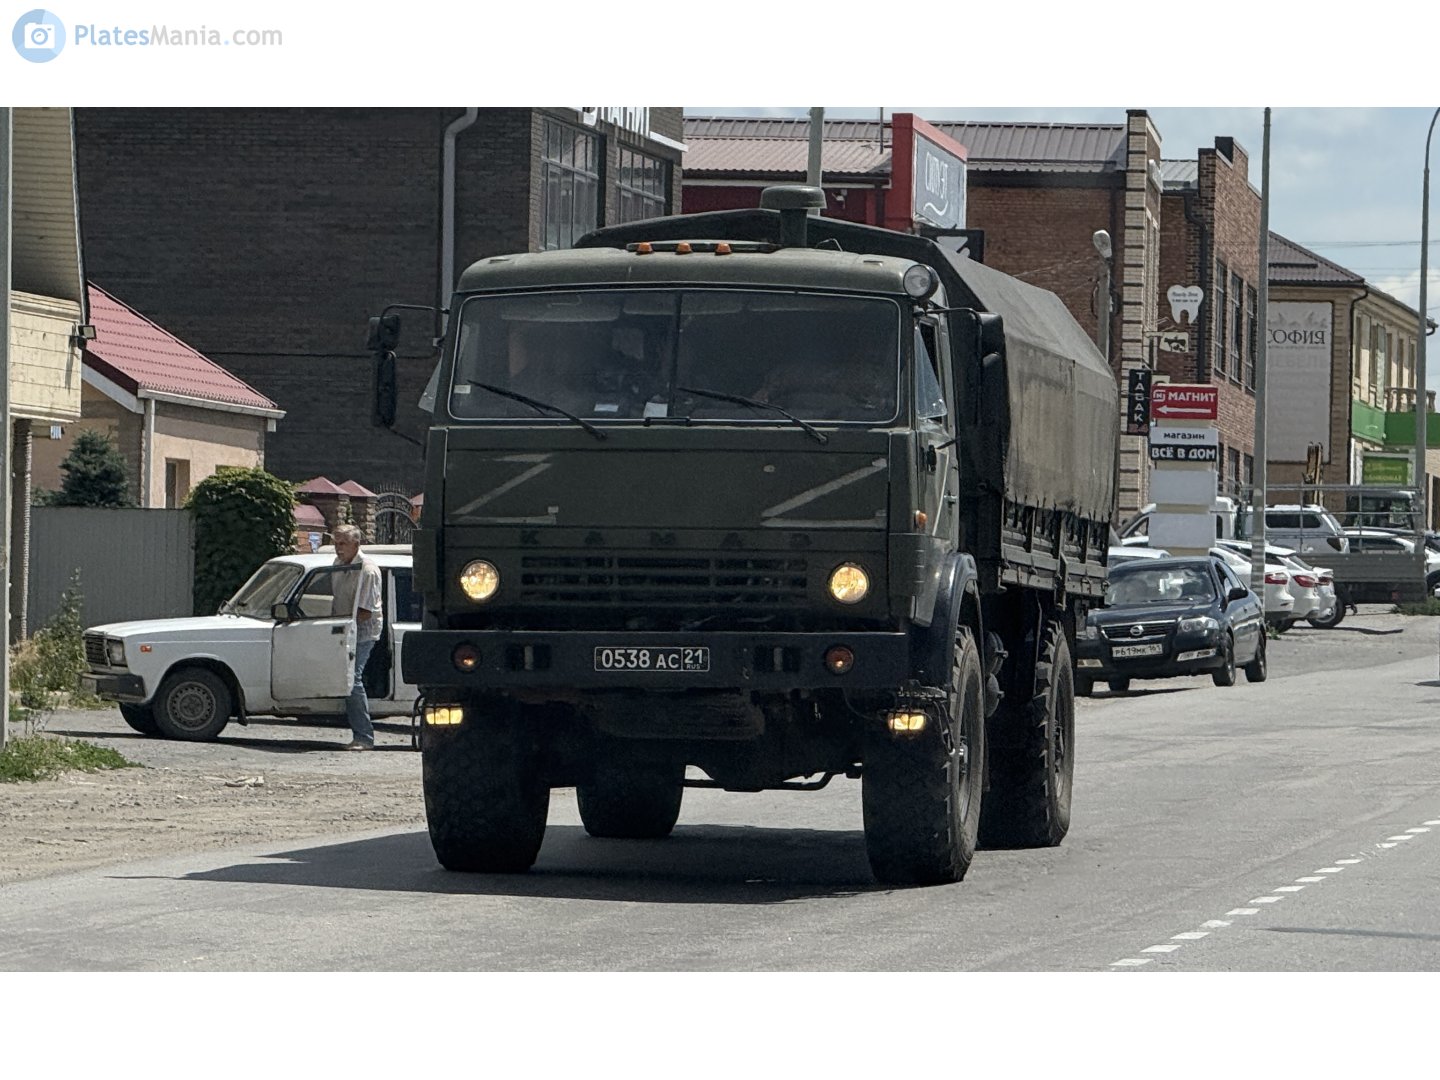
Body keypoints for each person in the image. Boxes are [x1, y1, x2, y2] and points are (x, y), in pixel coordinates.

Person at [330, 523, 383, 750]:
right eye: (336, 543)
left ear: (356, 544)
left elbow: (365, 611)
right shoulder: (337, 564)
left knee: (352, 679)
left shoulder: (368, 571)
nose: (338, 548)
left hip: (363, 632)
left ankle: (364, 737)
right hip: (341, 629)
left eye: (343, 543)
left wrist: (341, 626)